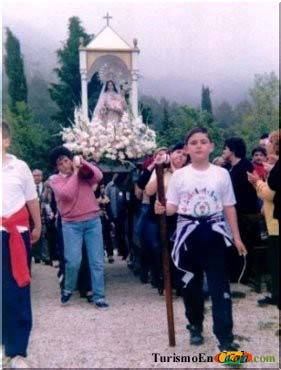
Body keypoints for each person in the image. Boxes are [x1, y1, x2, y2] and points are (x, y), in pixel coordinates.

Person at [155, 127, 247, 351]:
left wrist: (236, 237)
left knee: (219, 287)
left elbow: (229, 207)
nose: (198, 146)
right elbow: (173, 207)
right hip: (188, 236)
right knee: (191, 287)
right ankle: (195, 324)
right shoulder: (179, 175)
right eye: (193, 142)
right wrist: (162, 208)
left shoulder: (221, 174)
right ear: (186, 149)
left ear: (211, 146)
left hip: (214, 235)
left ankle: (225, 338)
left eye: (203, 141)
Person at [1, 121, 42, 368]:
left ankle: (17, 351)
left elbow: (32, 199)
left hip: (16, 233)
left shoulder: (20, 167)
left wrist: (38, 225)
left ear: (6, 141)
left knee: (17, 289)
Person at [49, 146, 108, 308]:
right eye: (60, 163)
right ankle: (68, 288)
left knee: (96, 261)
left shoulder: (82, 173)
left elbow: (98, 176)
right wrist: (75, 172)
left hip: (92, 220)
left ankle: (99, 296)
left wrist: (83, 163)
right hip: (71, 224)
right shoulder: (54, 180)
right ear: (56, 167)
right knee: (73, 260)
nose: (64, 165)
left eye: (66, 160)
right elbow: (66, 194)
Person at [247, 129, 280, 308]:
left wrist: (256, 182)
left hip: (276, 222)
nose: (266, 145)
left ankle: (277, 295)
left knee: (275, 260)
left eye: (269, 143)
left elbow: (269, 194)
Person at [222, 137, 261, 284]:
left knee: (246, 242)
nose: (223, 151)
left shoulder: (245, 167)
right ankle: (237, 273)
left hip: (245, 213)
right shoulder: (231, 167)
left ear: (232, 150)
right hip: (236, 212)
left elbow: (245, 192)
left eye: (225, 148)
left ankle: (246, 275)